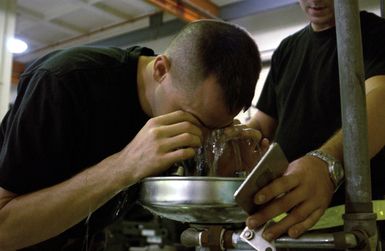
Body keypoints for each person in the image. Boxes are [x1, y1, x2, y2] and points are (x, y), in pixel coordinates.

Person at [0, 19, 262, 250]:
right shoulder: (63, 83)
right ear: (161, 70)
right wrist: (124, 165)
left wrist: (233, 174)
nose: (201, 138)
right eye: (195, 121)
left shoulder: (178, 103)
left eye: (217, 129)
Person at [245, 0, 385, 245]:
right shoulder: (286, 50)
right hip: (292, 229)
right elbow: (261, 125)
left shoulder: (375, 33)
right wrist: (230, 140)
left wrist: (327, 163)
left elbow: (381, 99)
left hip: (359, 230)